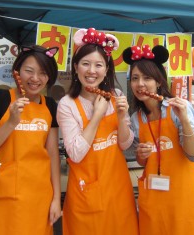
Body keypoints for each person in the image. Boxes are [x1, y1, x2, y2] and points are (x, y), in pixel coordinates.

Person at [56, 28, 139, 235]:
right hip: (86, 194)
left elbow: (125, 144)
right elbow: (75, 153)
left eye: (98, 65)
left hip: (118, 190)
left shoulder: (116, 94)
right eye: (85, 63)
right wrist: (96, 116)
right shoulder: (67, 105)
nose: (91, 71)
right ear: (76, 67)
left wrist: (121, 118)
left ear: (106, 69)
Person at [0, 45, 61, 235]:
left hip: (38, 195)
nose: (35, 78)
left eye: (43, 73)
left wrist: (55, 199)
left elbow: (53, 153)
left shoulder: (50, 105)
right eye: (29, 71)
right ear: (17, 71)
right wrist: (11, 122)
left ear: (49, 77)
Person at [123, 44, 194, 234]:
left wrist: (185, 121)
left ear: (159, 82)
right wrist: (141, 155)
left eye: (147, 78)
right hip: (154, 197)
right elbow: (142, 161)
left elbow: (193, 155)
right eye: (135, 78)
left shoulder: (178, 108)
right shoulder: (136, 118)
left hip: (184, 196)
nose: (140, 84)